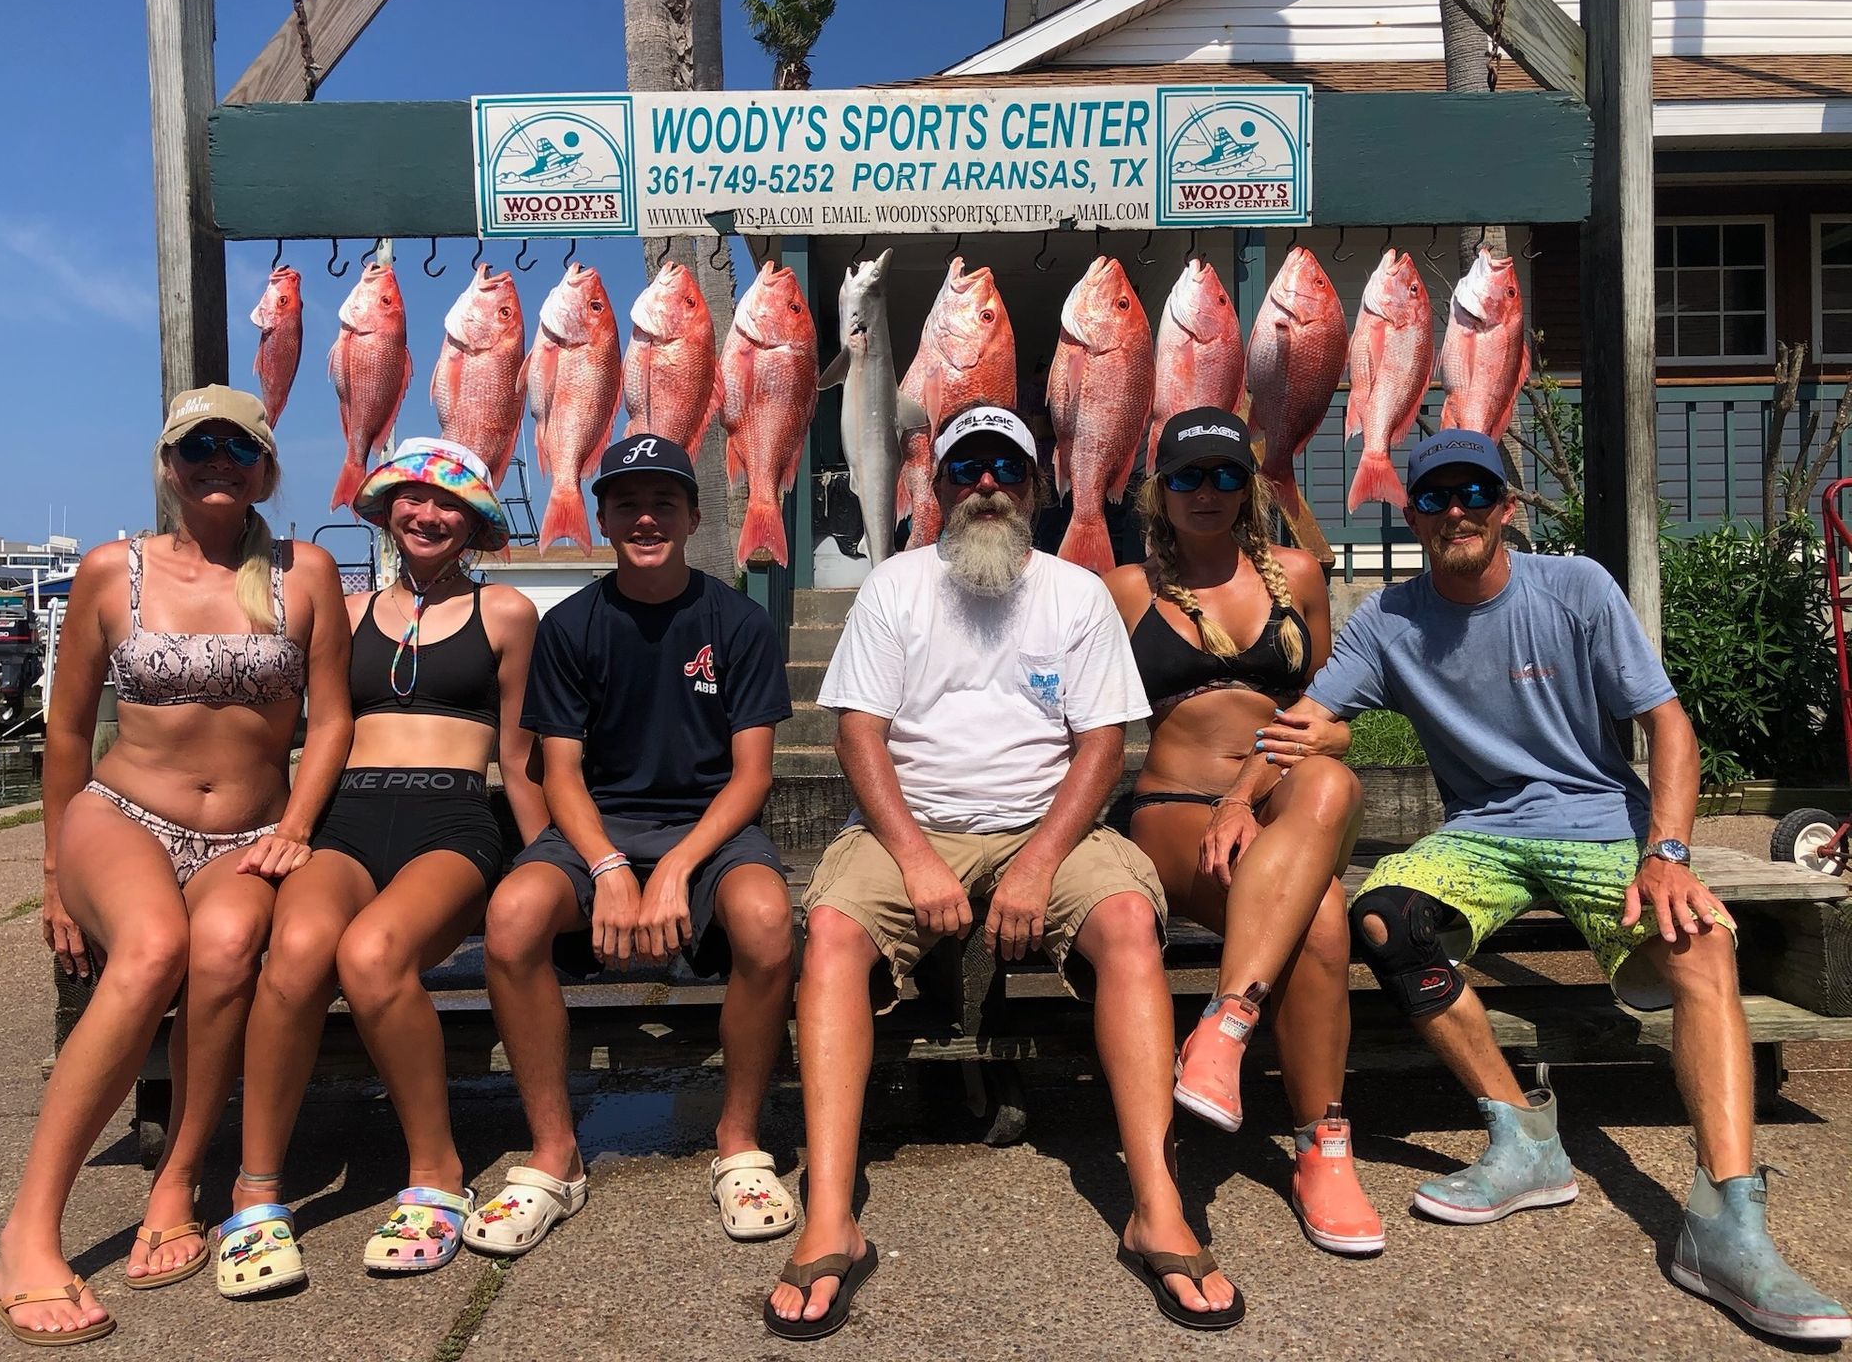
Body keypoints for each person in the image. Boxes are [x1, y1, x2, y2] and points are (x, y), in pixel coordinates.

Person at [1240, 429, 1850, 1342]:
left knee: (1699, 939)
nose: (1457, 512)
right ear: (1411, 515)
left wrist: (1669, 853)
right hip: (1481, 835)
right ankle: (1525, 1136)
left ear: (1506, 509)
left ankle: (1728, 1220)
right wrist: (1238, 801)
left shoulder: (1576, 588)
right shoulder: (1388, 620)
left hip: (1603, 826)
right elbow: (1307, 719)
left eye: (1475, 494)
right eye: (1437, 497)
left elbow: (1668, 726)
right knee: (1383, 917)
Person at [765, 405, 1244, 1341]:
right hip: (917, 826)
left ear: (1037, 487)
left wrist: (1036, 863)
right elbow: (858, 731)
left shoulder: (1074, 593)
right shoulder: (895, 587)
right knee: (828, 936)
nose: (986, 484)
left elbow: (1102, 743)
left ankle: (1156, 1203)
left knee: (1127, 927)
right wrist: (911, 855)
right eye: (964, 469)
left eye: (1006, 469)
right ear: (933, 489)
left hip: (1047, 828)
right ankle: (831, 1213)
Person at [0, 386, 352, 1347]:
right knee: (149, 953)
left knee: (225, 949)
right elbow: (66, 734)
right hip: (125, 814)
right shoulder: (112, 571)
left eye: (239, 446)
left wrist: (298, 825)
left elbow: (333, 717)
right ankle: (28, 1238)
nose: (218, 461)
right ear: (169, 466)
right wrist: (57, 873)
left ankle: (180, 1177)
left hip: (250, 833)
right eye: (198, 448)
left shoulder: (308, 573)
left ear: (266, 466)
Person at [214, 438, 547, 1293]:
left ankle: (436, 1169)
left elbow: (520, 758)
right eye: (412, 499)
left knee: (371, 955)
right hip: (349, 815)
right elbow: (304, 726)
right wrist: (284, 820)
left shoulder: (506, 613)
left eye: (448, 505)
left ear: (473, 523)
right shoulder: (348, 609)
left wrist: (548, 860)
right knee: (292, 957)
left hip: (453, 814)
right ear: (387, 510)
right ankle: (257, 1192)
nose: (427, 515)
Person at [475, 433, 797, 1260]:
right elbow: (560, 773)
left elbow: (752, 776)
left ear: (694, 515)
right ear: (602, 517)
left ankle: (737, 1140)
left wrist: (681, 865)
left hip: (709, 826)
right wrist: (611, 867)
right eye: (625, 503)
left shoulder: (741, 620)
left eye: (662, 503)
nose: (645, 518)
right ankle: (554, 1153)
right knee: (511, 919)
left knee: (766, 921)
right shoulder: (572, 625)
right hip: (598, 826)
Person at [1102, 406, 1380, 1256]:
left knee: (1328, 772)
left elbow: (1323, 714)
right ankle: (1323, 1147)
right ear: (1160, 490)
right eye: (1188, 476)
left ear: (1249, 489)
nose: (1207, 493)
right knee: (1323, 916)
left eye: (1226, 476)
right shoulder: (1125, 589)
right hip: (1176, 807)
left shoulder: (1298, 573)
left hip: (1285, 802)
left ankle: (1227, 1023)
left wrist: (1256, 788)